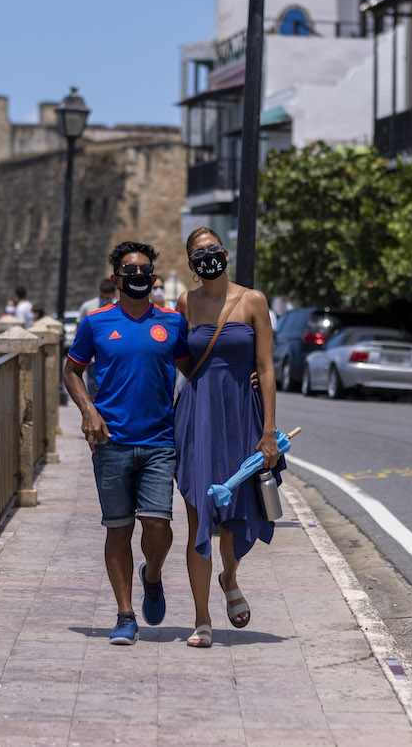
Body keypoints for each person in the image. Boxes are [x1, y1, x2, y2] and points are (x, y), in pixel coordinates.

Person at [63, 242, 191, 645]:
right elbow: (71, 372)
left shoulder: (172, 322)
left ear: (153, 278)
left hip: (159, 441)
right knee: (118, 529)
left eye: (144, 271)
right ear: (116, 277)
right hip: (111, 442)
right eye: (129, 271)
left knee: (158, 525)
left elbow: (196, 372)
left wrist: (245, 379)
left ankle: (152, 576)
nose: (138, 277)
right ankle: (124, 614)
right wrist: (88, 411)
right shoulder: (96, 322)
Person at [173, 226, 282, 649]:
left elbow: (267, 366)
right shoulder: (186, 302)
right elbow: (182, 359)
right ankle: (201, 619)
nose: (208, 256)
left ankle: (229, 578)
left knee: (235, 513)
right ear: (190, 263)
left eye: (213, 249)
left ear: (225, 253)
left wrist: (269, 428)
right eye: (199, 252)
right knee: (199, 515)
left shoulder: (253, 300)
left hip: (242, 415)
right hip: (198, 417)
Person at [76, 279, 117, 399]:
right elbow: (79, 330)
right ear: (98, 292)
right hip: (93, 359)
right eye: (103, 297)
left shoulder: (118, 307)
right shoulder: (88, 307)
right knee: (92, 391)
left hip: (113, 356)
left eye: (108, 298)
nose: (105, 300)